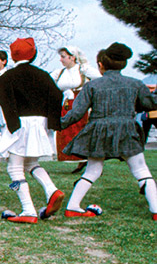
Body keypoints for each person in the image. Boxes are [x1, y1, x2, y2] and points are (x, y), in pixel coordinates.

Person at [61, 43, 157, 219]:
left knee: (92, 170)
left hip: (99, 131)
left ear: (100, 65)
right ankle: (156, 210)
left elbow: (76, 113)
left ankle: (73, 206)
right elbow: (149, 105)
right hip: (127, 129)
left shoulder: (92, 86)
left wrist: (58, 124)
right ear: (123, 64)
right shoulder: (135, 84)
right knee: (141, 170)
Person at [0, 38, 65, 224]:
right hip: (40, 123)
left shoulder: (7, 77)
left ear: (13, 56)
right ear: (33, 54)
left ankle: (28, 210)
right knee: (31, 163)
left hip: (19, 124)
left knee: (14, 168)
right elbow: (57, 94)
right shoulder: (43, 75)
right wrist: (51, 121)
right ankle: (51, 190)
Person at [53, 45, 99, 167]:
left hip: (81, 105)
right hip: (66, 106)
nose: (61, 59)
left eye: (63, 57)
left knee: (81, 131)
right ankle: (72, 157)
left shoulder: (83, 70)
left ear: (72, 57)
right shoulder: (59, 73)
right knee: (65, 131)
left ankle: (85, 160)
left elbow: (101, 78)